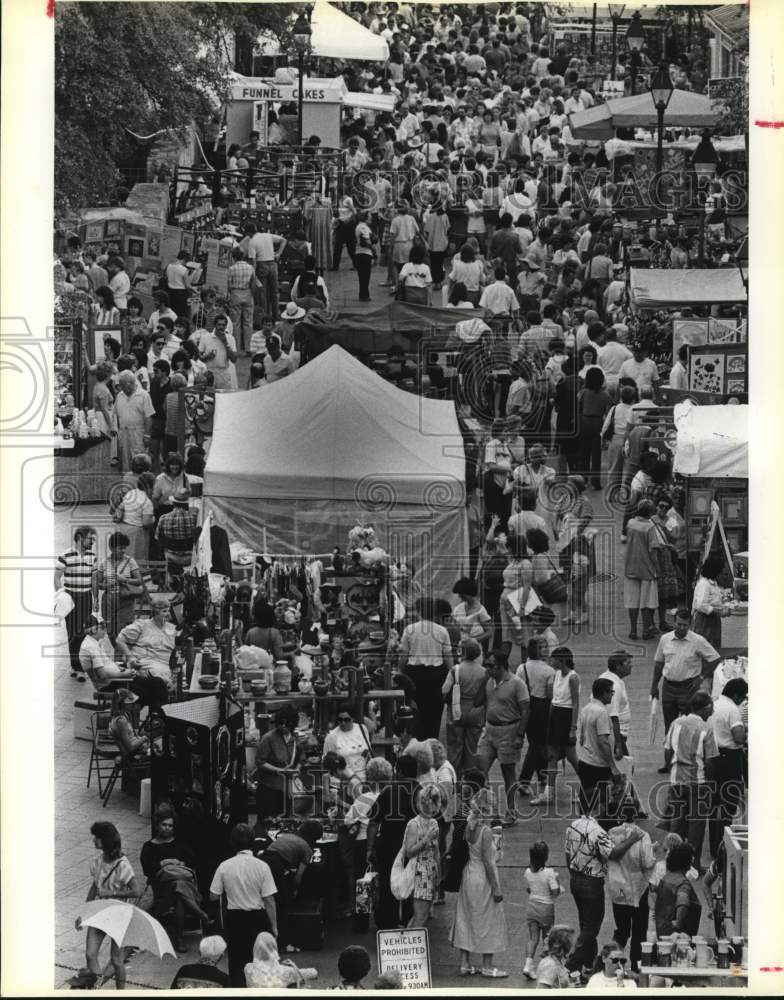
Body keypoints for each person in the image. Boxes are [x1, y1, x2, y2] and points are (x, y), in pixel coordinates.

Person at [449, 768, 509, 978]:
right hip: (482, 877)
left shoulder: (470, 828)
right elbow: (490, 862)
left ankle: (464, 963)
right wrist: (496, 888)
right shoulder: (485, 831)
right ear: (487, 807)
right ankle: (487, 965)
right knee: (489, 920)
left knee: (465, 917)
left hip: (468, 874)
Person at [650, 608, 721, 773]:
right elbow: (659, 663)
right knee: (670, 726)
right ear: (674, 622)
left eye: (685, 625)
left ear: (690, 625)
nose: (681, 628)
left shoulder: (698, 641)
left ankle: (689, 760)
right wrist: (654, 686)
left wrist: (702, 677)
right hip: (668, 687)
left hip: (689, 688)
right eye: (679, 624)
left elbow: (715, 658)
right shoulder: (665, 639)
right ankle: (668, 763)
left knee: (690, 725)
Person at [209, 823, 278, 987]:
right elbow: (269, 900)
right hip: (257, 919)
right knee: (260, 961)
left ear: (232, 843)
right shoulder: (262, 866)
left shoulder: (224, 866)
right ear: (252, 841)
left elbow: (213, 896)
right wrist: (274, 926)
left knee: (237, 963)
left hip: (235, 920)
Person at [75, 822, 140, 989]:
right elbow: (94, 887)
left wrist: (113, 894)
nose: (93, 840)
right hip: (100, 912)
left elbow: (136, 890)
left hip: (119, 915)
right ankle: (97, 989)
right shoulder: (97, 862)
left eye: (97, 837)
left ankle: (120, 992)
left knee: (117, 960)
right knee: (90, 954)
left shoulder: (122, 864)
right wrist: (84, 913)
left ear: (106, 840)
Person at [141, 803, 208, 952]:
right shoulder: (149, 847)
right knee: (178, 891)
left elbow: (193, 861)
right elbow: (147, 870)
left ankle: (179, 937)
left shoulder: (180, 843)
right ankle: (189, 926)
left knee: (179, 888)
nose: (167, 828)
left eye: (170, 826)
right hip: (162, 888)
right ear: (157, 825)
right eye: (164, 825)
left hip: (184, 885)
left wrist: (180, 862)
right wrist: (163, 863)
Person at [474, 647, 530, 827]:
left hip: (509, 730)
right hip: (489, 730)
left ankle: (511, 812)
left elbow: (526, 710)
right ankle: (490, 808)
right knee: (481, 769)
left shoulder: (516, 683)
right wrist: (483, 681)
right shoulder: (489, 682)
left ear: (500, 666)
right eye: (486, 666)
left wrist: (520, 735)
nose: (487, 669)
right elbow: (477, 702)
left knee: (508, 774)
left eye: (490, 666)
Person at [664, 691, 717, 870]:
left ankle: (673, 860)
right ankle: (692, 863)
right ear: (706, 707)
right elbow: (709, 761)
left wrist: (671, 768)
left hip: (676, 779)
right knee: (696, 825)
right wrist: (711, 783)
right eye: (711, 707)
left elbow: (667, 750)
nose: (712, 710)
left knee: (677, 821)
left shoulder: (676, 723)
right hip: (698, 783)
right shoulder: (706, 729)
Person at [366, 754, 420, 930]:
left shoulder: (389, 791)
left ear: (399, 771)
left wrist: (369, 849)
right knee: (411, 886)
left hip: (388, 847)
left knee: (388, 887)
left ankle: (387, 924)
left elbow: (373, 823)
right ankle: (409, 922)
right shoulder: (423, 792)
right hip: (415, 848)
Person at [258, 820, 323, 954]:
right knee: (282, 903)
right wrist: (294, 890)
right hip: (276, 865)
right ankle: (283, 943)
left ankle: (264, 939)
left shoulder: (286, 837)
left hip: (262, 861)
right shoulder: (307, 848)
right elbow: (299, 876)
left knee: (264, 900)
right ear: (314, 838)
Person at [564, 804, 612, 975]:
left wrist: (572, 872)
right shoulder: (599, 832)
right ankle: (572, 963)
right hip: (592, 881)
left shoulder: (572, 826)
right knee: (592, 926)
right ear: (596, 808)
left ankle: (588, 963)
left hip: (575, 878)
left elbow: (568, 853)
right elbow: (612, 854)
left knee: (585, 923)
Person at [341, 756, 391, 919]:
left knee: (362, 880)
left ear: (370, 776)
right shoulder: (391, 796)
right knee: (382, 879)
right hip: (383, 842)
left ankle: (361, 918)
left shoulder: (365, 798)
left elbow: (348, 820)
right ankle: (382, 913)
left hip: (362, 842)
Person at [397, 597, 453, 740]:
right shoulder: (442, 631)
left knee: (415, 710)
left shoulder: (409, 630)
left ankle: (417, 740)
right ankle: (431, 740)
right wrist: (452, 675)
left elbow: (404, 655)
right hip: (436, 675)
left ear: (419, 611)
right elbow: (448, 657)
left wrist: (399, 672)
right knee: (434, 711)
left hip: (414, 675)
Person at [531, 647, 580, 806]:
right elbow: (554, 699)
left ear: (561, 660)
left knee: (572, 757)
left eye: (554, 659)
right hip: (555, 716)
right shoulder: (557, 674)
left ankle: (589, 788)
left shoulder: (573, 677)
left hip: (566, 717)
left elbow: (575, 702)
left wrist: (573, 727)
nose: (550, 661)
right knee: (552, 756)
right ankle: (548, 794)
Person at [606, 819, 656, 972]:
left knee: (621, 930)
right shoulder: (644, 836)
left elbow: (608, 855)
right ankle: (635, 966)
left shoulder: (611, 833)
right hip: (637, 890)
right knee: (639, 931)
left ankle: (613, 963)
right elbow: (647, 863)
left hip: (618, 890)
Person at [709, 678, 748, 859]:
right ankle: (722, 847)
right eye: (743, 696)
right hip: (730, 759)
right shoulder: (732, 709)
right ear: (736, 695)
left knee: (714, 803)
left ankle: (713, 845)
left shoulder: (714, 704)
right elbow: (739, 738)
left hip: (712, 757)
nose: (743, 700)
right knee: (728, 804)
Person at [577, 677, 623, 821]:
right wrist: (613, 766)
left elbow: (582, 737)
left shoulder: (586, 709)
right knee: (605, 797)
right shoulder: (601, 712)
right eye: (611, 692)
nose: (612, 695)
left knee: (586, 795)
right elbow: (603, 742)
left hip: (585, 761)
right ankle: (602, 824)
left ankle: (583, 822)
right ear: (603, 693)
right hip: (598, 764)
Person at [55, 525, 97, 680]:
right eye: (90, 539)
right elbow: (56, 577)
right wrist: (61, 596)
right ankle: (77, 667)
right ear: (80, 538)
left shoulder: (92, 556)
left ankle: (76, 666)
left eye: (93, 539)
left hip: (86, 597)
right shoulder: (66, 555)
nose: (92, 542)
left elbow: (93, 579)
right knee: (72, 632)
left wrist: (95, 598)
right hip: (71, 597)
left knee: (81, 632)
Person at [441, 637, 487, 775]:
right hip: (476, 713)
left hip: (457, 711)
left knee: (454, 748)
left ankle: (455, 777)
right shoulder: (484, 671)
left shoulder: (456, 670)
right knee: (472, 748)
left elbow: (444, 690)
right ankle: (470, 778)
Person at [516, 636, 555, 796]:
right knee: (537, 744)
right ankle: (524, 781)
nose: (546, 649)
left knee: (535, 742)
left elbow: (518, 687)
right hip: (542, 707)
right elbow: (550, 694)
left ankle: (542, 775)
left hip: (525, 705)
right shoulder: (549, 671)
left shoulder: (522, 667)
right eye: (543, 646)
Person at [115, 596, 176, 696]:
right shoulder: (142, 625)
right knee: (159, 679)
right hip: (143, 663)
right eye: (164, 611)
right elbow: (120, 640)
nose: (168, 614)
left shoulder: (171, 629)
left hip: (162, 665)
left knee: (168, 679)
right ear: (155, 613)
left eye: (168, 611)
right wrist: (130, 658)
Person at [402, 783, 441, 928]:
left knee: (421, 916)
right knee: (420, 916)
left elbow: (436, 852)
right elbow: (409, 851)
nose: (429, 806)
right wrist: (426, 839)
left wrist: (439, 877)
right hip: (419, 872)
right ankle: (410, 948)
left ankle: (409, 946)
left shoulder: (434, 823)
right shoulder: (414, 824)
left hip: (430, 872)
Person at [624, 499, 662, 640]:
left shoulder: (631, 523)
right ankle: (646, 630)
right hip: (647, 569)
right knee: (647, 602)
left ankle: (633, 630)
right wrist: (657, 568)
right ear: (650, 513)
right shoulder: (650, 527)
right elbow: (653, 551)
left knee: (632, 602)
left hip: (631, 567)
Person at [523, 841, 562, 979]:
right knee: (547, 939)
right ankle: (545, 968)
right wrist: (557, 880)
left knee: (533, 938)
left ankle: (528, 965)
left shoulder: (527, 872)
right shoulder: (550, 873)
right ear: (546, 856)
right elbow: (556, 892)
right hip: (546, 909)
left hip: (532, 907)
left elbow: (530, 888)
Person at [255, 704, 301, 823]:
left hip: (286, 789)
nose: (283, 726)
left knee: (284, 822)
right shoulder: (268, 738)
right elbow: (260, 762)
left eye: (287, 724)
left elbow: (301, 759)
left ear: (293, 724)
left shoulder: (295, 739)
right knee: (267, 823)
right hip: (269, 789)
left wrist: (297, 770)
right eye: (281, 723)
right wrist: (279, 770)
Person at [95, 531, 145, 638]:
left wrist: (125, 580)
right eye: (120, 548)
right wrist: (107, 585)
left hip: (126, 600)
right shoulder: (104, 563)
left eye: (124, 547)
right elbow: (98, 584)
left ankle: (120, 653)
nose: (123, 550)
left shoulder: (130, 561)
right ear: (112, 548)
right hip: (109, 602)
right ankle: (118, 652)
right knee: (110, 631)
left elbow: (139, 581)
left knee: (125, 632)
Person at [653, 842, 702, 937]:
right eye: (691, 857)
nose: (693, 860)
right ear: (685, 861)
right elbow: (683, 904)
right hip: (679, 938)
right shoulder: (683, 884)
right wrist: (678, 926)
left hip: (662, 932)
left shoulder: (666, 878)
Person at [155, 488, 199, 588]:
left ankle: (171, 583)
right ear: (187, 504)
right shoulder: (194, 518)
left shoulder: (163, 518)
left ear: (173, 503)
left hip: (171, 558)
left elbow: (158, 538)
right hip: (190, 558)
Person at [114, 369, 154, 471]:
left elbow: (148, 416)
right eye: (121, 385)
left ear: (130, 383)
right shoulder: (120, 396)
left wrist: (147, 435)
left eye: (123, 385)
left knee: (139, 460)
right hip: (124, 433)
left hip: (138, 433)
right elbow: (117, 415)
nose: (121, 388)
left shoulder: (144, 395)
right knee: (125, 461)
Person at [246, 224, 287, 320]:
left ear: (249, 233)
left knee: (262, 293)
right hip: (273, 264)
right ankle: (276, 315)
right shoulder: (268, 235)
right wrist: (278, 254)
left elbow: (253, 261)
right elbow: (284, 240)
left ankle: (265, 316)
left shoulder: (252, 242)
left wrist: (253, 275)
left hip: (261, 265)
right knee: (274, 291)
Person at [323, 704, 371, 784]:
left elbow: (368, 751)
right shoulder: (331, 737)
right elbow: (327, 762)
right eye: (340, 720)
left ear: (353, 718)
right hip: (344, 781)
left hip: (365, 779)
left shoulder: (362, 729)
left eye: (346, 719)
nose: (343, 723)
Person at [691, 554, 731, 648]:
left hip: (713, 619)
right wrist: (719, 612)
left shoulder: (713, 583)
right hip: (704, 621)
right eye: (721, 571)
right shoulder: (704, 584)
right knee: (704, 646)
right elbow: (701, 605)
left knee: (713, 646)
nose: (722, 574)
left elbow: (714, 600)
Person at [227, 248, 256, 354]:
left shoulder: (231, 268)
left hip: (235, 293)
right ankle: (248, 347)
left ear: (234, 257)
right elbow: (253, 282)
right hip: (248, 293)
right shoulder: (250, 267)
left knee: (236, 322)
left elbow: (229, 284)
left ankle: (237, 348)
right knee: (248, 322)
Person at [451, 577, 493, 648]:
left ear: (468, 593)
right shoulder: (458, 609)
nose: (459, 596)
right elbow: (453, 626)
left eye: (461, 594)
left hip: (474, 648)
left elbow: (489, 633)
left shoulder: (481, 611)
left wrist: (473, 640)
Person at [198, 314, 237, 390]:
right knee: (208, 399)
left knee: (224, 400)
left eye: (223, 325)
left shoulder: (230, 338)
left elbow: (234, 359)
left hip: (223, 374)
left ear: (226, 326)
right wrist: (207, 357)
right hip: (208, 374)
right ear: (215, 325)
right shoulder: (205, 337)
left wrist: (225, 342)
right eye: (219, 324)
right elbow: (199, 357)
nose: (221, 327)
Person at [354, 210, 376, 301]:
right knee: (364, 276)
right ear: (365, 218)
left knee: (364, 276)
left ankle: (364, 294)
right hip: (364, 254)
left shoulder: (364, 227)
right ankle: (364, 295)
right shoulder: (362, 227)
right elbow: (366, 242)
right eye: (370, 217)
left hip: (362, 253)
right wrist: (374, 251)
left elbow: (372, 238)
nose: (371, 218)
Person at [165, 251, 193, 319]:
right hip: (181, 294)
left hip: (170, 292)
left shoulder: (169, 266)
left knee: (171, 313)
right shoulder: (184, 269)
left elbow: (166, 277)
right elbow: (187, 286)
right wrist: (195, 290)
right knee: (181, 314)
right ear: (184, 259)